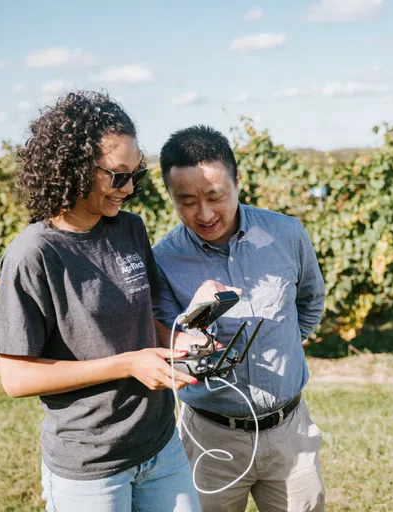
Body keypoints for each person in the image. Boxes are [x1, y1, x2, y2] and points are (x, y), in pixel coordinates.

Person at [0, 91, 205, 512]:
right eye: (117, 176)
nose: (129, 188)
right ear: (72, 168)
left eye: (135, 175)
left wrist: (179, 343)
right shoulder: (34, 255)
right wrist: (126, 364)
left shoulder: (130, 230)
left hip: (161, 446)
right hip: (90, 464)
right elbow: (16, 379)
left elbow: (149, 315)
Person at [152, 125, 327, 512]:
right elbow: (167, 343)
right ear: (170, 196)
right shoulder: (162, 259)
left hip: (290, 434)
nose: (205, 213)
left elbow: (310, 302)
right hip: (210, 439)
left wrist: (281, 347)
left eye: (216, 196)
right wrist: (191, 323)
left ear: (237, 182)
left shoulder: (287, 234)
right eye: (187, 201)